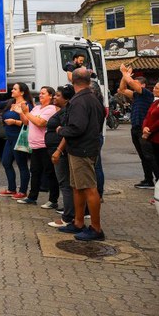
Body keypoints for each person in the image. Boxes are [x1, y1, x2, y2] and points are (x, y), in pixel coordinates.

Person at [53, 67, 106, 241]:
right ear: (89, 80)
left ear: (72, 81)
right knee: (77, 187)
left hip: (82, 149)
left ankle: (96, 229)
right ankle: (78, 222)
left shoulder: (79, 101)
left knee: (89, 188)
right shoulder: (94, 98)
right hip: (85, 148)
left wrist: (61, 129)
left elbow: (77, 127)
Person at [0, 83, 34, 199]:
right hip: (9, 139)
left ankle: (23, 191)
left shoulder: (27, 105)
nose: (12, 90)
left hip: (19, 138)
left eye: (15, 89)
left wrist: (14, 121)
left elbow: (28, 122)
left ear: (22, 92)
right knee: (6, 162)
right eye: (12, 89)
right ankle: (11, 189)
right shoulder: (10, 102)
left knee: (22, 165)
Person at [17, 86, 58, 205]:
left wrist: (26, 112)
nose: (40, 95)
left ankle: (53, 200)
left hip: (45, 146)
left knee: (50, 173)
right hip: (35, 146)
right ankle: (32, 197)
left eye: (43, 93)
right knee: (35, 172)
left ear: (50, 96)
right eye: (40, 93)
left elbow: (40, 123)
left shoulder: (50, 109)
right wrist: (21, 113)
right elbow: (26, 122)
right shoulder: (37, 108)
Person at [118, 63, 155, 189]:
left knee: (149, 156)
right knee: (143, 156)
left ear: (143, 85)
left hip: (143, 130)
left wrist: (125, 73)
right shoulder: (136, 95)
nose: (133, 85)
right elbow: (122, 89)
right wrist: (125, 77)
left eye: (135, 83)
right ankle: (148, 180)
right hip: (135, 128)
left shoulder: (147, 94)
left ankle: (158, 179)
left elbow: (131, 83)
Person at [46, 85, 75, 227]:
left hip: (61, 151)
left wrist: (58, 150)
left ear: (66, 98)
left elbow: (66, 133)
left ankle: (68, 217)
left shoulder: (65, 113)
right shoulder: (63, 110)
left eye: (57, 95)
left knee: (65, 183)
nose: (54, 97)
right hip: (56, 149)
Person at [140, 81, 159, 184]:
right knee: (156, 162)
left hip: (158, 136)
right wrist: (145, 127)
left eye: (156, 88)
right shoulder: (155, 103)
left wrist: (150, 129)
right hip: (153, 139)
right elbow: (147, 116)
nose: (154, 89)